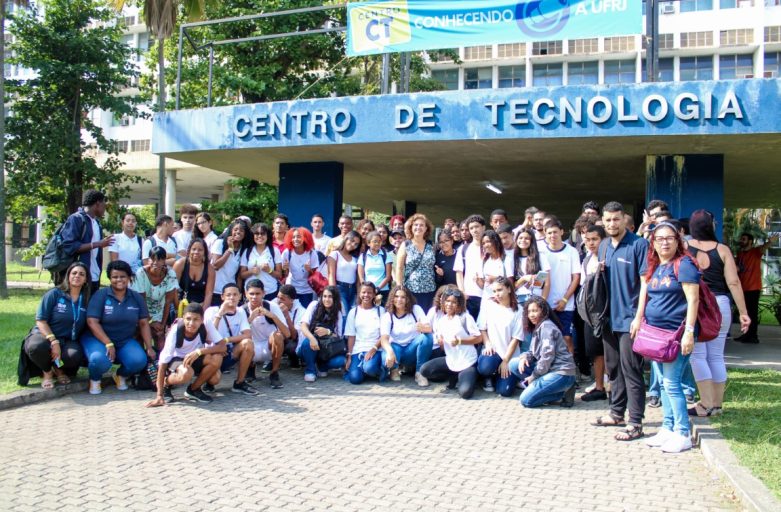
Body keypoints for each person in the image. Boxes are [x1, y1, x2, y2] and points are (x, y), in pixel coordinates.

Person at [633, 222, 700, 452]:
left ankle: (683, 434)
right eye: (659, 238)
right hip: (656, 336)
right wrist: (639, 319)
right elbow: (647, 294)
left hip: (676, 335)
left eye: (669, 238)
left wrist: (689, 334)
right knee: (661, 382)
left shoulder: (685, 264)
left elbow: (693, 300)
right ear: (653, 242)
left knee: (672, 383)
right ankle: (668, 427)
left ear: (678, 240)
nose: (664, 242)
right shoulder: (656, 265)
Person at [593, 201, 649, 442]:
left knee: (632, 370)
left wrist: (639, 317)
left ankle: (635, 422)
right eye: (607, 220)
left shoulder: (639, 245)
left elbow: (646, 282)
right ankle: (616, 413)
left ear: (624, 219)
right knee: (613, 369)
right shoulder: (604, 245)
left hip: (630, 320)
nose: (612, 224)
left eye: (616, 219)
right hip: (608, 319)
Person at [687, 210, 751, 416]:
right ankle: (717, 405)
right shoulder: (722, 249)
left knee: (697, 355)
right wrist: (743, 312)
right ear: (710, 226)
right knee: (716, 355)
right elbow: (733, 282)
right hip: (720, 305)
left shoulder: (686, 248)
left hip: (697, 304)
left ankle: (705, 404)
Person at [82, 260, 155, 395]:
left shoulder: (136, 297)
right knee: (99, 361)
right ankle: (95, 379)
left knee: (139, 360)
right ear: (110, 278)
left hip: (124, 340)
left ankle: (120, 375)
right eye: (115, 277)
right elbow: (92, 322)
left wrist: (149, 347)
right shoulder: (101, 295)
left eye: (123, 276)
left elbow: (144, 323)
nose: (119, 280)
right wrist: (108, 343)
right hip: (98, 340)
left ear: (129, 278)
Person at [18, 262, 90, 388]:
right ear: (68, 276)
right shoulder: (54, 294)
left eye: (81, 274)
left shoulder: (86, 299)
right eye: (74, 273)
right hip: (44, 335)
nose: (77, 276)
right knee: (36, 347)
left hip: (67, 339)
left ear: (85, 279)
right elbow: (41, 320)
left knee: (74, 356)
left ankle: (59, 369)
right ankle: (47, 372)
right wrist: (53, 340)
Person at [146, 303, 223, 406]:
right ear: (183, 318)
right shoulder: (176, 331)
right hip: (176, 360)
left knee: (216, 373)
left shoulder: (206, 323)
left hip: (195, 356)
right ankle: (166, 384)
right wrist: (159, 396)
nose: (191, 323)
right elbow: (163, 363)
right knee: (186, 373)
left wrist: (199, 352)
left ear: (202, 319)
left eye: (196, 319)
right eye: (188, 319)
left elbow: (223, 346)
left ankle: (193, 390)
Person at [510, 295, 576, 408]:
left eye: (535, 311)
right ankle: (546, 388)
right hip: (549, 369)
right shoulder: (538, 327)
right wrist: (524, 357)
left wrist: (534, 376)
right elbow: (532, 351)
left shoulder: (546, 327)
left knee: (526, 401)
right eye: (529, 311)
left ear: (543, 311)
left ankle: (562, 392)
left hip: (561, 373)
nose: (531, 314)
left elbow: (547, 356)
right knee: (514, 364)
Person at [419, 287, 482, 399]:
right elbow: (444, 348)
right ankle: (453, 375)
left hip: (467, 361)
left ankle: (468, 377)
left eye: (454, 302)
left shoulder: (465, 318)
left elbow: (479, 338)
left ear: (459, 304)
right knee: (424, 370)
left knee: (465, 393)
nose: (449, 304)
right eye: (447, 301)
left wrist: (460, 341)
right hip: (451, 360)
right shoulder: (441, 321)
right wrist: (442, 343)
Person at [203, 283, 258, 396]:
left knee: (248, 343)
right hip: (214, 353)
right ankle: (208, 381)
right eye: (228, 295)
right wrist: (219, 314)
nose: (231, 298)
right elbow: (209, 338)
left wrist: (225, 341)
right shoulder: (211, 311)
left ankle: (239, 383)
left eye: (235, 295)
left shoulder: (240, 311)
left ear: (240, 296)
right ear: (222, 297)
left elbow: (247, 335)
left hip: (229, 351)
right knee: (214, 380)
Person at [59, 189, 113, 293]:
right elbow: (69, 246)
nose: (104, 209)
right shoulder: (76, 219)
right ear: (97, 203)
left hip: (94, 276)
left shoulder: (97, 223)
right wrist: (98, 244)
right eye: (104, 205)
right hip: (78, 276)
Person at [477, 277, 523, 397]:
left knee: (504, 391)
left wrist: (506, 361)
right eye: (494, 291)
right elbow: (482, 328)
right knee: (484, 367)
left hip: (510, 356)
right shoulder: (488, 305)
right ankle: (489, 376)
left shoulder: (519, 311)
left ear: (508, 289)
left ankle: (506, 376)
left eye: (500, 290)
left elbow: (516, 339)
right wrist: (487, 343)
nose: (497, 294)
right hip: (493, 351)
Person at [578, 224, 609, 402]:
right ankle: (599, 387)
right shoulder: (587, 260)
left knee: (611, 352)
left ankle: (615, 387)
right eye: (588, 239)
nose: (590, 243)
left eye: (594, 239)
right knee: (595, 351)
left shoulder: (609, 259)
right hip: (590, 315)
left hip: (607, 313)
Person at [379, 285, 433, 386]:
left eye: (403, 297)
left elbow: (429, 329)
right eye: (396, 296)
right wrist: (390, 352)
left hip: (411, 350)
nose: (399, 299)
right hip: (396, 349)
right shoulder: (387, 316)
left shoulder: (415, 309)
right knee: (385, 358)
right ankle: (394, 369)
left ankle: (419, 373)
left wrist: (422, 328)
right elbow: (384, 339)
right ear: (392, 298)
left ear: (408, 299)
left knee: (427, 337)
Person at [543, 218, 581, 354]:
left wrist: (565, 299)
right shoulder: (542, 252)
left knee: (567, 338)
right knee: (548, 339)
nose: (552, 236)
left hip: (566, 304)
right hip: (546, 304)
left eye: (555, 232)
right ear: (544, 234)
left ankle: (569, 372)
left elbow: (576, 277)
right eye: (549, 233)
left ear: (562, 232)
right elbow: (540, 277)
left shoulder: (571, 251)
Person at [243, 279, 289, 389]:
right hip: (252, 348)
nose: (254, 297)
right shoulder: (242, 310)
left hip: (269, 346)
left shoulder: (272, 307)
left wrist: (272, 316)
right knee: (243, 342)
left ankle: (274, 372)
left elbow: (287, 334)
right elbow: (238, 335)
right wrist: (250, 319)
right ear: (246, 294)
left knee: (278, 336)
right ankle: (250, 367)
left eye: (258, 293)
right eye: (251, 294)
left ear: (264, 293)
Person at [132, 246, 179, 350]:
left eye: (160, 259)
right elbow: (141, 300)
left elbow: (168, 301)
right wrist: (150, 321)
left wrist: (162, 324)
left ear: (164, 261)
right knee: (139, 332)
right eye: (153, 259)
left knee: (160, 334)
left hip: (159, 310)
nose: (155, 262)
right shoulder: (141, 273)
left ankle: (159, 361)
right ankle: (142, 360)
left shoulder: (170, 274)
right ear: (149, 259)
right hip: (141, 310)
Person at [735, 231, 778, 344]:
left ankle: (753, 336)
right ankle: (746, 334)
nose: (741, 241)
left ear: (750, 241)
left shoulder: (755, 252)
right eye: (741, 239)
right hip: (742, 288)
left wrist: (770, 242)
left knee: (752, 313)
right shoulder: (740, 253)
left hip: (753, 288)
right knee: (744, 313)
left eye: (744, 239)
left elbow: (764, 247)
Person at [298, 286, 345, 382]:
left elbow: (339, 336)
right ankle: (310, 370)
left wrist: (328, 332)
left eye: (330, 297)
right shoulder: (314, 305)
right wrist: (312, 338)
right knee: (308, 343)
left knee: (341, 360)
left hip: (327, 348)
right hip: (310, 345)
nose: (326, 299)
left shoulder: (338, 313)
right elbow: (303, 325)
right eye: (324, 296)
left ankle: (322, 367)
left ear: (335, 298)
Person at [394, 214, 437, 311]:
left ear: (426, 228)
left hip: (430, 290)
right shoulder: (406, 245)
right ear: (411, 227)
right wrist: (399, 287)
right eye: (416, 225)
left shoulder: (431, 245)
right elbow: (399, 268)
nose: (418, 227)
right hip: (411, 290)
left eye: (422, 225)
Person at [344, 282, 385, 384]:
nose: (366, 295)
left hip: (376, 349)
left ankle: (380, 371)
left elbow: (384, 335)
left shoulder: (381, 311)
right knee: (354, 379)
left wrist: (373, 349)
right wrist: (349, 356)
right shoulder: (353, 312)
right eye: (363, 292)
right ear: (359, 294)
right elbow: (351, 336)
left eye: (369, 292)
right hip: (358, 350)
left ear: (374, 294)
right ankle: (364, 369)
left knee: (370, 368)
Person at [212, 219, 252, 306]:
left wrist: (238, 293)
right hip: (216, 290)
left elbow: (238, 276)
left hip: (231, 292)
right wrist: (230, 249)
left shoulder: (243, 249)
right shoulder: (220, 243)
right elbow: (215, 265)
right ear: (231, 231)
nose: (238, 232)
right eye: (236, 230)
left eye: (241, 230)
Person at [454, 214, 487, 320]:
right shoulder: (463, 249)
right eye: (471, 228)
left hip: (489, 295)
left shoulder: (491, 247)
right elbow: (459, 272)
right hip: (470, 295)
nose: (474, 230)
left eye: (477, 227)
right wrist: (462, 292)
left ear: (483, 227)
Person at [240, 222, 283, 300]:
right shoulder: (247, 251)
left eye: (262, 234)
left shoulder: (274, 251)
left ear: (267, 236)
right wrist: (251, 271)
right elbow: (242, 274)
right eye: (256, 233)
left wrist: (269, 270)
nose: (259, 236)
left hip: (270, 292)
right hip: (252, 293)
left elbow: (279, 275)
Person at [282, 227, 322, 308]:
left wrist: (309, 270)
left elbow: (314, 275)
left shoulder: (311, 253)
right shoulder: (287, 253)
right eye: (293, 237)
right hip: (291, 288)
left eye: (299, 237)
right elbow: (285, 274)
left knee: (305, 313)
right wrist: (285, 269)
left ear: (305, 238)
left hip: (306, 290)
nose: (296, 239)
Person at [173, 238, 215, 310]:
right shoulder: (180, 264)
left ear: (205, 252)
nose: (196, 252)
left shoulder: (209, 268)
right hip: (181, 305)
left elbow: (209, 293)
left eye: (200, 250)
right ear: (189, 250)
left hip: (200, 306)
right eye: (194, 249)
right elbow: (173, 289)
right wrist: (178, 308)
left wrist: (202, 312)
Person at [513, 227, 551, 305]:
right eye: (520, 238)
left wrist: (543, 302)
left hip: (536, 299)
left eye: (527, 238)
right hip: (518, 300)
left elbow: (546, 283)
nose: (523, 240)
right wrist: (524, 278)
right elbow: (511, 287)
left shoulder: (540, 256)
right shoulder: (512, 258)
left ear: (531, 241)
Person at [328, 230, 361, 316]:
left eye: (356, 244)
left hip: (353, 290)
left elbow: (358, 279)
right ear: (346, 239)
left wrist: (358, 294)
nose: (353, 244)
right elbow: (331, 275)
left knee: (352, 316)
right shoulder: (335, 254)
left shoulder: (355, 258)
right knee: (344, 315)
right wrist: (333, 293)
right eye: (352, 241)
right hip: (340, 289)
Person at [477, 230, 513, 311]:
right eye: (483, 243)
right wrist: (478, 281)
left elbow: (511, 282)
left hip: (502, 302)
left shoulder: (506, 259)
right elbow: (483, 286)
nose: (486, 245)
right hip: (486, 301)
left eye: (488, 241)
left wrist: (495, 279)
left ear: (496, 241)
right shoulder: (484, 261)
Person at [273, 285, 306, 369]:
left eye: (282, 299)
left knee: (291, 347)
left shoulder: (301, 311)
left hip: (291, 339)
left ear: (291, 300)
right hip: (275, 335)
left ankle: (294, 359)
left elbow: (294, 336)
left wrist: (286, 315)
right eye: (278, 297)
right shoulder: (274, 303)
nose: (279, 301)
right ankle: (271, 360)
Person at [358, 230, 392, 298]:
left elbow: (388, 277)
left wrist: (377, 289)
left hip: (383, 290)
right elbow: (361, 277)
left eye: (379, 241)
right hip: (367, 292)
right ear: (368, 243)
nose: (377, 243)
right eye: (375, 241)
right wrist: (368, 289)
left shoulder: (386, 255)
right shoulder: (363, 256)